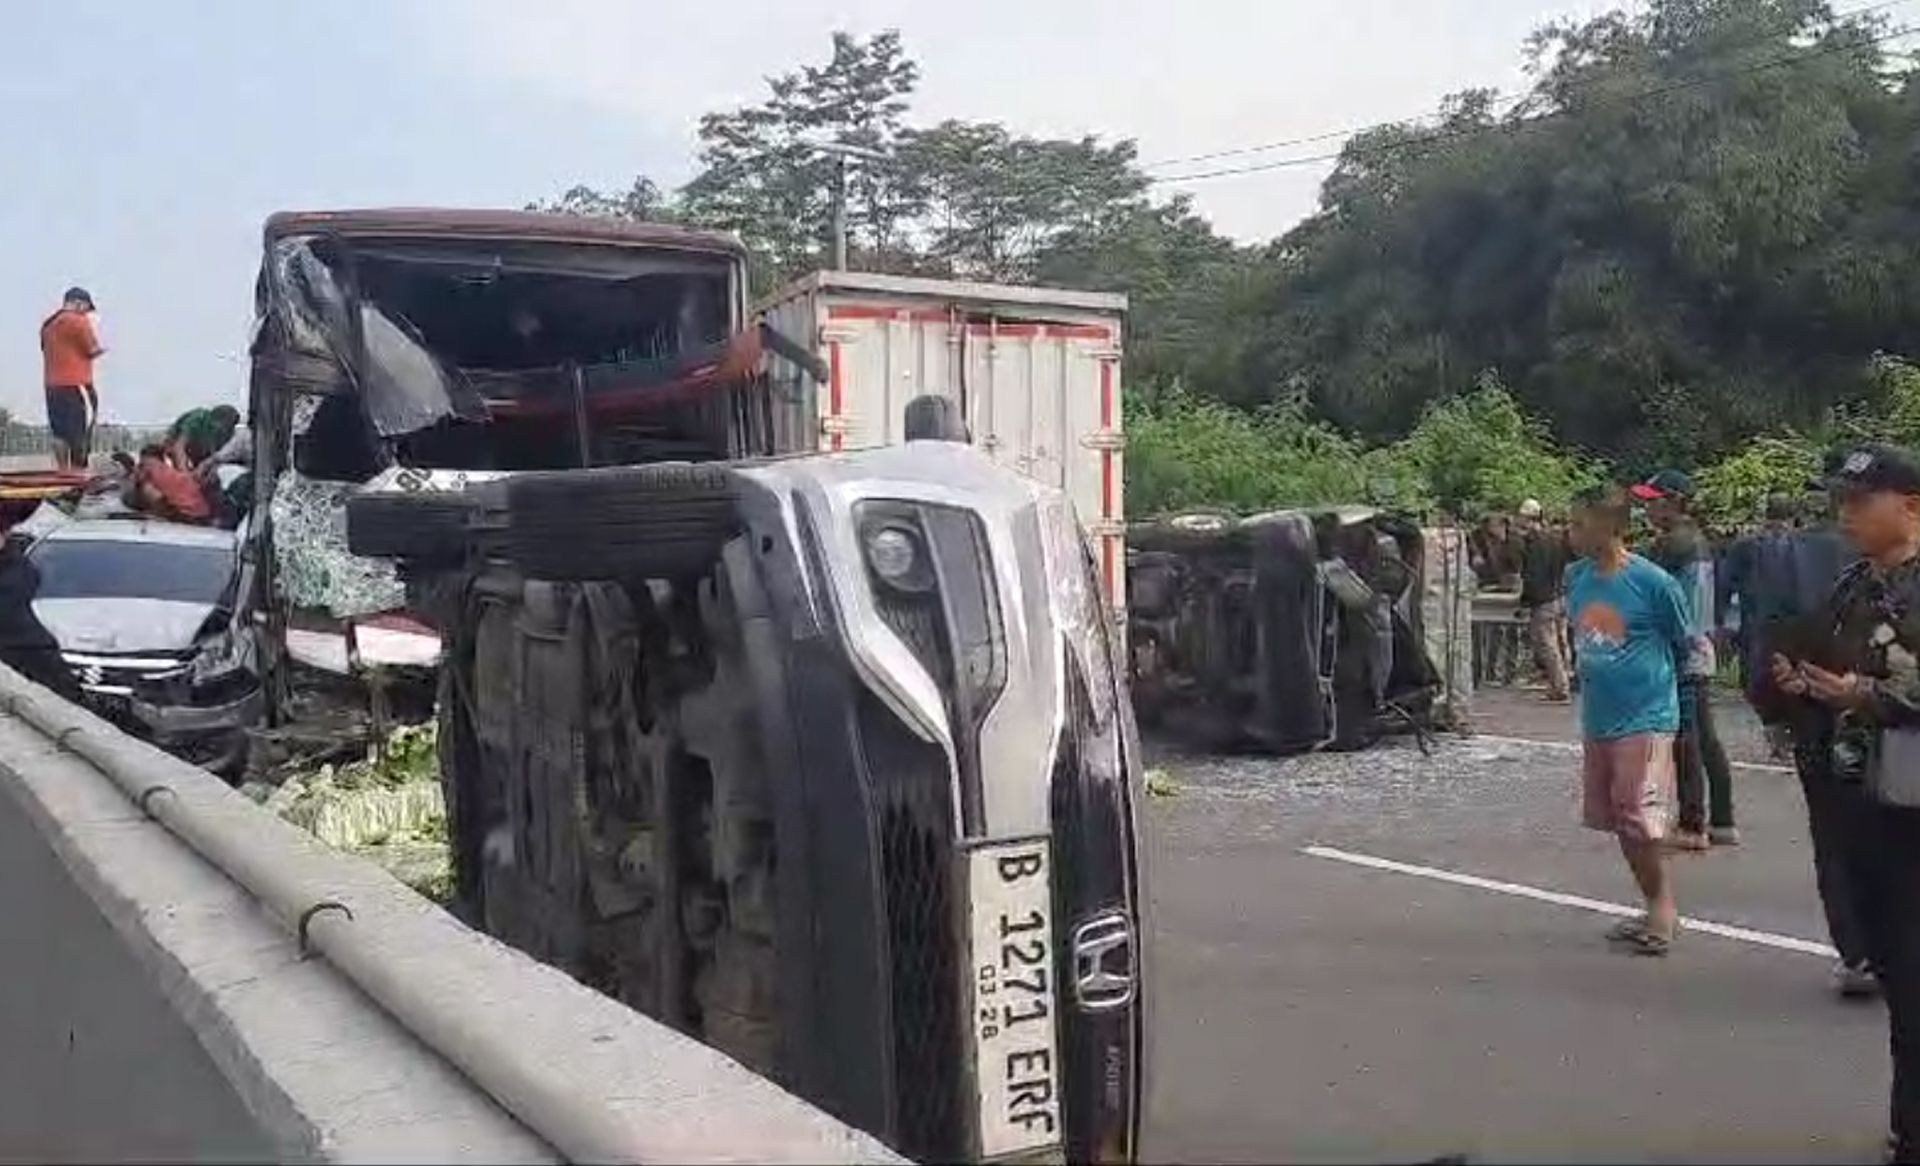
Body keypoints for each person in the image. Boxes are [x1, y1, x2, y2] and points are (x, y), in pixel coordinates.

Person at [1768, 442, 1920, 1160]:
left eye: (1862, 501)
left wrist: (1873, 696)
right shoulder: (1854, 586)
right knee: (1893, 965)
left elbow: (1875, 686)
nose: (1846, 515)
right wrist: (1796, 681)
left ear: (1911, 506)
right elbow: (1831, 664)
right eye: (1843, 501)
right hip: (1866, 801)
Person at [1567, 485, 1697, 956]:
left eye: (1581, 523)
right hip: (1601, 714)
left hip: (1648, 713)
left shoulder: (1653, 582)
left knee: (1639, 810)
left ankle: (1663, 906)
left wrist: (1685, 706)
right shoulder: (1575, 577)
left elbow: (1685, 641)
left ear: (1614, 528)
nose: (1572, 532)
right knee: (1621, 818)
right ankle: (1650, 901)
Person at [1634, 469, 1738, 850]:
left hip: (1682, 647)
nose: (1647, 507)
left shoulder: (1674, 545)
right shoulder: (1696, 540)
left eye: (1654, 500)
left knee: (1685, 739)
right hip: (1700, 643)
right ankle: (1723, 819)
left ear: (1674, 502)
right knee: (1705, 736)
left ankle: (1693, 822)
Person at [39, 287, 104, 470]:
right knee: (80, 432)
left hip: (52, 385)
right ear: (78, 303)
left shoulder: (48, 325)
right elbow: (92, 349)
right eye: (86, 307)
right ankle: (78, 472)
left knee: (59, 433)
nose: (86, 312)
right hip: (77, 383)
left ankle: (63, 471)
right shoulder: (78, 321)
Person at [1516, 498, 1573, 703]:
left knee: (1547, 645)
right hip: (1560, 595)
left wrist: (1525, 601)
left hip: (1544, 599)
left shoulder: (1535, 544)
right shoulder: (1556, 538)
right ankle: (1565, 680)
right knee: (1561, 641)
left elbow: (1533, 574)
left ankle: (1559, 687)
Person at [132, 444, 213, 524]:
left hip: (188, 514)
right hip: (203, 513)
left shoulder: (148, 465)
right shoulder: (169, 470)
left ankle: (161, 514)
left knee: (146, 487)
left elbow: (140, 483)